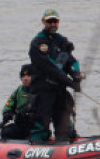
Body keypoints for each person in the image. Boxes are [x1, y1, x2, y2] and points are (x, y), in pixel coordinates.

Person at [28, 9, 84, 142]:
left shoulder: (61, 41)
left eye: (55, 21)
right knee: (41, 122)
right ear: (43, 22)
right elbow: (49, 66)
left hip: (59, 90)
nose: (53, 24)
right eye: (49, 21)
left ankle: (64, 147)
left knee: (63, 123)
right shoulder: (37, 43)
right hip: (43, 90)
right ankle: (36, 148)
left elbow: (70, 60)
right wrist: (69, 82)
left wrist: (76, 75)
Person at [0, 64, 35, 140]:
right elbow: (9, 104)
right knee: (5, 132)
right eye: (23, 76)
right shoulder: (19, 90)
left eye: (28, 76)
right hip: (20, 124)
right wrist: (7, 112)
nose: (25, 78)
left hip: (35, 126)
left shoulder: (40, 91)